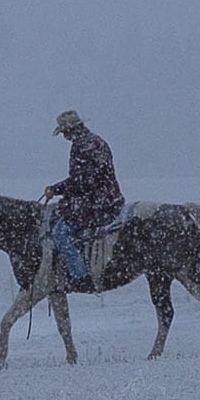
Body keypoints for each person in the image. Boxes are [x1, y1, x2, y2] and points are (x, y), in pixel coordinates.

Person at [42, 110, 125, 288]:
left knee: (60, 232)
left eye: (64, 133)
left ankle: (80, 276)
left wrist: (55, 190)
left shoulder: (81, 146)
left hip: (97, 202)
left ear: (71, 130)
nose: (65, 137)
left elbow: (82, 182)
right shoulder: (97, 141)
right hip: (110, 197)